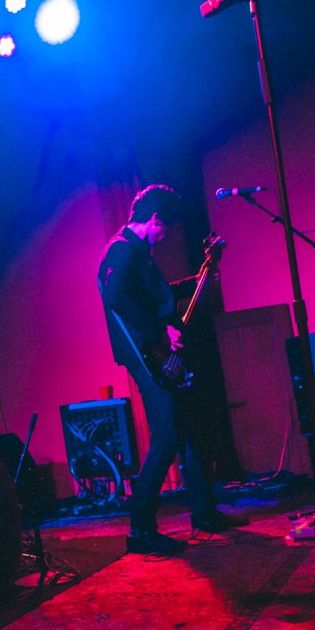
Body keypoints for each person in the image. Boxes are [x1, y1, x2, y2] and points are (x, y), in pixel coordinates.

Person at [97, 184, 227, 555]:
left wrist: (196, 282)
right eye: (165, 227)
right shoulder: (121, 250)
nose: (165, 236)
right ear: (155, 219)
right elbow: (116, 297)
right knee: (167, 435)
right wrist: (159, 332)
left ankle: (203, 513)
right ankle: (140, 529)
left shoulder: (137, 251)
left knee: (188, 429)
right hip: (145, 354)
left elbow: (152, 295)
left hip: (152, 350)